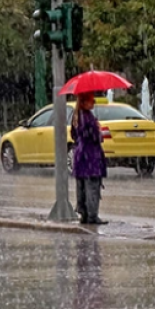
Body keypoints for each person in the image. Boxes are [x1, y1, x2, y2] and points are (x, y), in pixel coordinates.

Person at [71, 94, 107, 225]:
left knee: (81, 186)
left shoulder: (76, 116)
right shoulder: (88, 117)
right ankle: (92, 216)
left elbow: (74, 135)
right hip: (91, 156)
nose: (94, 102)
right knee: (92, 186)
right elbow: (95, 137)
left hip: (80, 155)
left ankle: (84, 213)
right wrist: (98, 130)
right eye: (91, 100)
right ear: (84, 102)